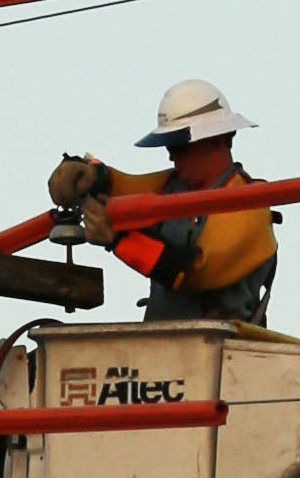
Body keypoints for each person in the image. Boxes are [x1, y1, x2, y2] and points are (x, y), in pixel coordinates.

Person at [48, 79, 278, 323]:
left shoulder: (249, 203)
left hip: (225, 351)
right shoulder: (174, 187)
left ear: (216, 139)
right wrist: (89, 175)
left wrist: (119, 238)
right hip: (167, 348)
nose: (171, 155)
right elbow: (122, 188)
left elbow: (196, 270)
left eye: (180, 146)